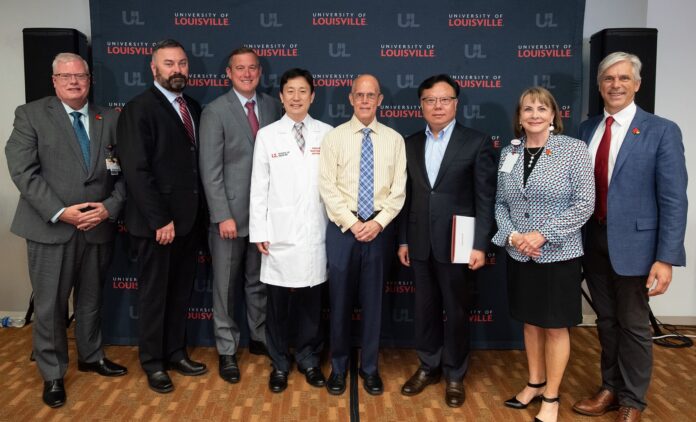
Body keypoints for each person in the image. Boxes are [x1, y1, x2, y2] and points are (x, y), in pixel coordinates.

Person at [5, 52, 127, 408]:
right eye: (66, 76)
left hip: (97, 227)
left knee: (91, 301)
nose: (75, 82)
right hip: (51, 228)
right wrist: (61, 212)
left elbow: (126, 172)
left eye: (81, 76)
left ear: (89, 80)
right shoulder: (30, 115)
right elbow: (23, 172)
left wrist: (109, 208)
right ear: (54, 80)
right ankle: (53, 373)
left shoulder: (111, 117)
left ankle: (91, 357)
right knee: (50, 306)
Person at [572, 52, 687, 422]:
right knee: (605, 321)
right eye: (608, 78)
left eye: (624, 78)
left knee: (634, 325)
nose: (615, 85)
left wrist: (666, 258)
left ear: (637, 84)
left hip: (637, 248)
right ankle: (610, 387)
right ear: (599, 85)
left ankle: (632, 401)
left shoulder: (661, 130)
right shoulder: (586, 129)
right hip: (593, 242)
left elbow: (673, 199)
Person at [492, 86, 594, 422]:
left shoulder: (573, 150)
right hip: (519, 253)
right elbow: (500, 203)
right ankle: (534, 383)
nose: (534, 114)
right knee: (531, 323)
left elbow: (584, 204)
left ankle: (551, 396)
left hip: (558, 255)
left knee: (554, 327)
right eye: (527, 109)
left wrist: (541, 235)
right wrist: (514, 235)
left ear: (553, 115)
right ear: (519, 118)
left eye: (541, 108)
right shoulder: (510, 152)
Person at [397, 74, 498, 408]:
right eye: (429, 100)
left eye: (444, 100)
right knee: (424, 310)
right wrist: (403, 241)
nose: (437, 106)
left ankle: (455, 373)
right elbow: (405, 198)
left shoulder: (477, 142)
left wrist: (481, 244)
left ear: (456, 103)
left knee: (455, 311)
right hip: (420, 242)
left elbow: (485, 198)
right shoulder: (409, 143)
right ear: (421, 105)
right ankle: (429, 366)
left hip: (460, 243)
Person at [117, 39, 208, 394]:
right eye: (169, 64)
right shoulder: (138, 109)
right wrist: (160, 220)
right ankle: (153, 363)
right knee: (155, 296)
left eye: (182, 63)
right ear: (153, 69)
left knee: (180, 293)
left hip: (188, 223)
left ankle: (174, 352)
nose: (177, 70)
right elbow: (137, 171)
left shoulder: (194, 108)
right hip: (158, 226)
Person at [318, 74, 407, 396]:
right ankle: (339, 368)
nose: (366, 100)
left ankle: (369, 368)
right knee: (339, 303)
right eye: (360, 95)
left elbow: (398, 191)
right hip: (344, 230)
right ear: (351, 98)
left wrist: (378, 223)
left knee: (374, 304)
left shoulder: (394, 140)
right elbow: (327, 186)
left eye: (372, 95)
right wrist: (351, 223)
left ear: (380, 99)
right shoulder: (335, 138)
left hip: (379, 231)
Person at [199, 47, 283, 384]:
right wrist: (222, 215)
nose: (247, 74)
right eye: (240, 69)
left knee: (257, 282)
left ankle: (259, 336)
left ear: (259, 72)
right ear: (229, 74)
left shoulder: (273, 106)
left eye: (252, 68)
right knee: (224, 286)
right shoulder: (215, 112)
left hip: (264, 217)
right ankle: (226, 349)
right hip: (230, 219)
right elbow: (210, 170)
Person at [248, 68, 332, 393]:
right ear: (281, 97)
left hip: (316, 233)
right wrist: (259, 231)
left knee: (312, 303)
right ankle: (280, 363)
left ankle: (309, 360)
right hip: (278, 234)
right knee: (278, 304)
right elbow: (259, 187)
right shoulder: (268, 135)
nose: (296, 97)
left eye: (302, 91)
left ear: (313, 96)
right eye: (290, 91)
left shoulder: (327, 134)